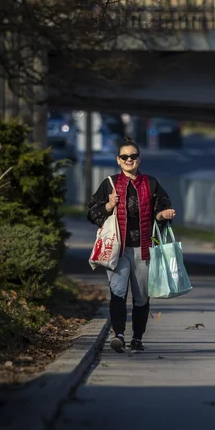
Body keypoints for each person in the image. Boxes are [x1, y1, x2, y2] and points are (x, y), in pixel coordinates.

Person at [87, 137, 176, 353]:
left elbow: (163, 209)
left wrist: (163, 214)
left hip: (143, 249)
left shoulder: (151, 183)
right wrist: (109, 204)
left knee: (141, 297)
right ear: (118, 160)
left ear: (139, 159)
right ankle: (118, 334)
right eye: (125, 157)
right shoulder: (109, 184)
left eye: (133, 156)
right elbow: (92, 212)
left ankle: (137, 337)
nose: (129, 160)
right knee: (118, 292)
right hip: (117, 249)